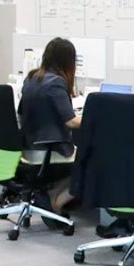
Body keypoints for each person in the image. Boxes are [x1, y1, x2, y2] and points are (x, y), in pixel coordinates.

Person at [18, 38, 82, 219]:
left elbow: (20, 112)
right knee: (94, 160)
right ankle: (58, 201)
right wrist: (95, 117)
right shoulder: (56, 82)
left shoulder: (31, 78)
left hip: (29, 144)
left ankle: (51, 193)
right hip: (49, 147)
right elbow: (71, 122)